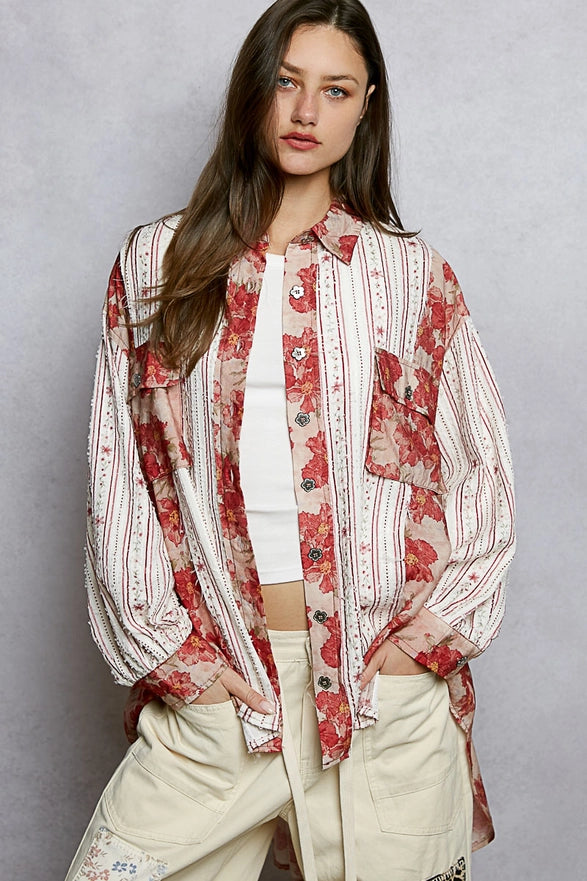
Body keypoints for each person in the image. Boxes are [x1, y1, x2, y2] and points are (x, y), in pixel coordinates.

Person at [65, 1, 515, 879]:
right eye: (286, 82)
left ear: (365, 106)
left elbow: (480, 472)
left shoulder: (409, 276)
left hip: (378, 692)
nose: (307, 112)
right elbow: (117, 473)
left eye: (335, 89)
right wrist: (170, 657)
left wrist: (427, 638)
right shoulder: (156, 266)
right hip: (222, 679)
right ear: (252, 91)